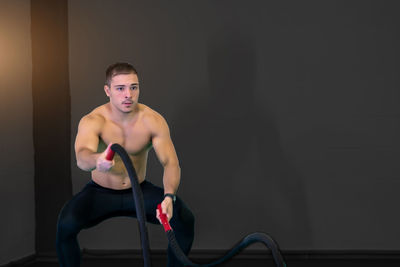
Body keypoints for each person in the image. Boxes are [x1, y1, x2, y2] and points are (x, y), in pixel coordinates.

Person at [56, 62, 195, 267]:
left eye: (133, 87)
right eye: (120, 88)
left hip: (137, 190)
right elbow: (82, 157)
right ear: (107, 91)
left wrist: (168, 196)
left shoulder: (153, 120)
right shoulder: (94, 120)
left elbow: (171, 163)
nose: (128, 94)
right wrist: (97, 160)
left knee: (184, 220)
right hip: (100, 193)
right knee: (66, 225)